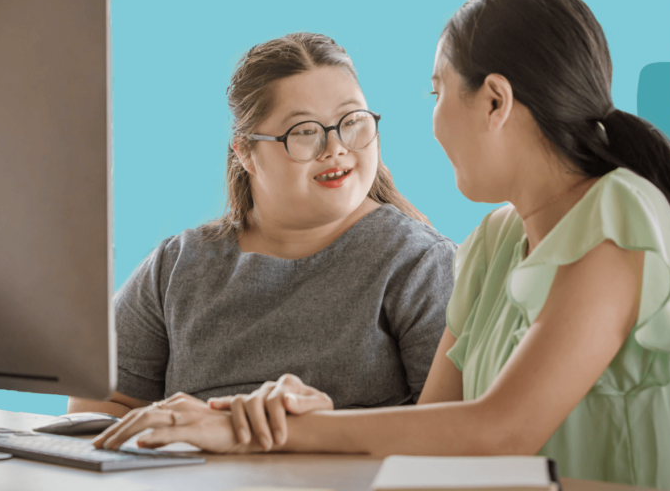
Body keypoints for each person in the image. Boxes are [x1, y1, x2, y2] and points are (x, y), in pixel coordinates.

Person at [92, 0, 670, 491]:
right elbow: (436, 433)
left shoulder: (619, 218)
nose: (430, 123)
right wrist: (309, 418)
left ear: (494, 102)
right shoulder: (492, 243)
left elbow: (500, 431)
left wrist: (249, 430)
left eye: (437, 92)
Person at [70, 32, 457, 451]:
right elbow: (100, 404)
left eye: (352, 122)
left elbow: (450, 432)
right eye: (304, 131)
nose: (336, 148)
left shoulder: (419, 262)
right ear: (246, 152)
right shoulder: (179, 264)